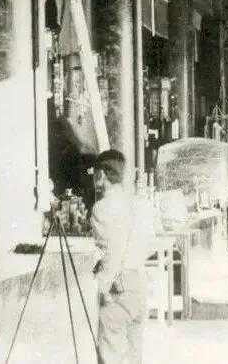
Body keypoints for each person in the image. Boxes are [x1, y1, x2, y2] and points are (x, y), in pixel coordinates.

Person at [91, 149, 156, 364]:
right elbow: (150, 243)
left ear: (102, 175)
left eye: (94, 173)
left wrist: (101, 288)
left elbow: (113, 253)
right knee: (134, 354)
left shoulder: (102, 208)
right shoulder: (139, 203)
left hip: (120, 288)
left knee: (111, 351)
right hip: (140, 285)